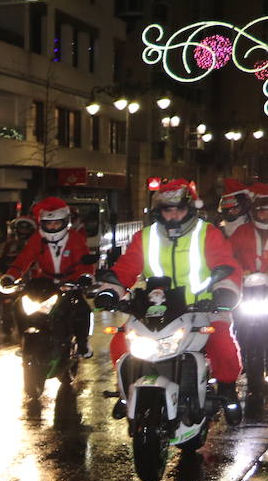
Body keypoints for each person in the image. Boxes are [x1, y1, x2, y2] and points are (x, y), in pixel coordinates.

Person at [95, 179, 243, 420]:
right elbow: (126, 267)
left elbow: (226, 264)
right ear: (159, 210)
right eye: (167, 209)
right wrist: (110, 290)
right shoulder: (145, 237)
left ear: (190, 209)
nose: (173, 215)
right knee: (121, 344)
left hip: (203, 306)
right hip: (156, 307)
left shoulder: (208, 233)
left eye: (179, 209)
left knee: (222, 345)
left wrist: (225, 291)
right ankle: (127, 393)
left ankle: (227, 391)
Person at [3, 197, 95, 357]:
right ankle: (23, 340)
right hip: (44, 283)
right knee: (19, 306)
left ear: (65, 222)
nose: (53, 226)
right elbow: (24, 259)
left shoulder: (75, 238)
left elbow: (83, 261)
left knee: (82, 309)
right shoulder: (37, 239)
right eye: (49, 223)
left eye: (57, 223)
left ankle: (83, 343)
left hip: (70, 283)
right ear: (42, 223)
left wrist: (85, 277)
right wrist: (10, 276)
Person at [231, 183, 268, 274]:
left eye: (265, 210)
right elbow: (228, 254)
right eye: (259, 210)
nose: (262, 213)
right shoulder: (242, 231)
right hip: (246, 282)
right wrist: (240, 270)